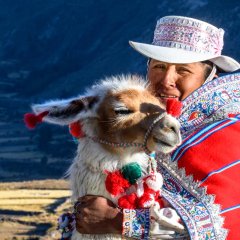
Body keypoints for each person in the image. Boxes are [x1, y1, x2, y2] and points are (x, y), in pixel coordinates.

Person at [74, 16, 240, 239]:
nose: (166, 80)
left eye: (183, 71)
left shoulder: (225, 132)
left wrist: (117, 221)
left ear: (210, 76)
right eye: (159, 67)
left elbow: (219, 224)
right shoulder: (146, 126)